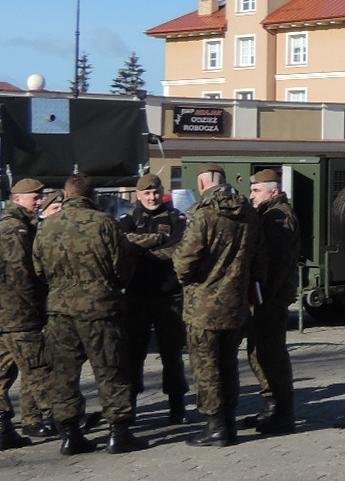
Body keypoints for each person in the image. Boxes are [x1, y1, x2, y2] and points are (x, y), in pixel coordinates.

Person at [35, 174, 142, 455]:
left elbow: (38, 269)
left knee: (63, 374)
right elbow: (123, 269)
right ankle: (118, 433)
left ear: (65, 196)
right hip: (101, 310)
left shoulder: (47, 226)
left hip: (60, 311)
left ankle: (70, 434)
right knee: (111, 371)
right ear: (92, 196)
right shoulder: (105, 224)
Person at [173, 162, 259, 447]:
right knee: (228, 363)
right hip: (236, 302)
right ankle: (229, 423)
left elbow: (185, 260)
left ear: (201, 184)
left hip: (204, 304)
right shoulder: (247, 213)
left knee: (205, 366)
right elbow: (260, 257)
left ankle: (215, 426)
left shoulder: (203, 215)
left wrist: (188, 277)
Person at [116, 174, 190, 426]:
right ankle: (130, 405)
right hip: (136, 297)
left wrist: (143, 254)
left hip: (169, 297)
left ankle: (177, 406)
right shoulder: (127, 221)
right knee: (133, 355)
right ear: (138, 195)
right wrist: (155, 248)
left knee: (172, 355)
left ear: (162, 192)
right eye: (146, 193)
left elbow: (179, 248)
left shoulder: (176, 218)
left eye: (156, 192)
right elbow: (121, 246)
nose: (152, 197)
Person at [0, 178, 51, 450]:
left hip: (2, 314)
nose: (39, 201)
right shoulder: (15, 228)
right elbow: (21, 272)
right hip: (18, 314)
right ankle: (62, 419)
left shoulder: (13, 224)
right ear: (18, 199)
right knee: (37, 368)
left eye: (40, 196)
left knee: (0, 374)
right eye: (34, 197)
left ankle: (3, 428)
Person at [243, 168, 299, 435]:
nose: (251, 195)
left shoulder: (279, 216)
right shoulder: (267, 213)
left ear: (273, 192)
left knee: (271, 354)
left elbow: (277, 262)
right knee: (258, 352)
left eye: (256, 191)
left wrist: (263, 296)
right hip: (266, 296)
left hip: (271, 297)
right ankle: (271, 406)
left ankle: (282, 413)